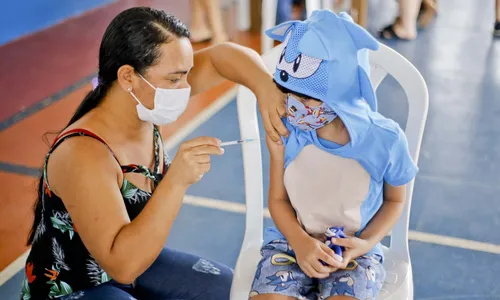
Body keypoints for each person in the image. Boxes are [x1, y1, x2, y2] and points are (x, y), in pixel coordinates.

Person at [21, 7, 287, 300]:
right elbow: (123, 267)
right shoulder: (83, 154)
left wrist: (266, 87)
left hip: (137, 265)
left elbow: (221, 56)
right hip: (78, 288)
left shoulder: (145, 102)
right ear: (128, 77)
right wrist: (176, 182)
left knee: (228, 288)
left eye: (186, 75)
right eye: (175, 79)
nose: (185, 89)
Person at [249, 10, 418, 299]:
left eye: (305, 97)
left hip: (355, 251)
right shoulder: (286, 130)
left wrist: (364, 244)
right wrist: (300, 243)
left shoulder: (385, 139)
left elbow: (395, 200)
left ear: (342, 88)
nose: (292, 105)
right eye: (285, 92)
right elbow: (277, 200)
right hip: (290, 242)